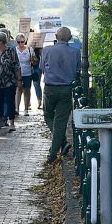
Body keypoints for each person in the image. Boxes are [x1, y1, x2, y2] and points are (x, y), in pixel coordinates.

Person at [42, 27, 81, 163]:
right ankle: (62, 142)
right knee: (60, 121)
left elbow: (42, 67)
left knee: (48, 116)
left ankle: (52, 154)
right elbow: (78, 69)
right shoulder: (75, 52)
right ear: (69, 38)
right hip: (66, 89)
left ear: (56, 36)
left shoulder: (47, 50)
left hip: (50, 88)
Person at [0, 32, 21, 131]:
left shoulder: (10, 50)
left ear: (1, 41)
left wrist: (19, 79)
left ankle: (11, 122)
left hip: (9, 80)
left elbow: (16, 65)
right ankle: (1, 121)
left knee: (10, 102)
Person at [13, 33, 35, 114]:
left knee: (27, 90)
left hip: (27, 72)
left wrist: (34, 60)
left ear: (25, 41)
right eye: (18, 42)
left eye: (22, 42)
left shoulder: (29, 49)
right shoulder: (14, 50)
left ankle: (26, 109)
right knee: (18, 90)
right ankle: (17, 108)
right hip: (17, 73)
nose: (20, 44)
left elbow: (34, 60)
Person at [29, 30, 44, 109]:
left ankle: (39, 101)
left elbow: (42, 55)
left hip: (37, 66)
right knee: (27, 86)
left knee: (36, 84)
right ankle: (28, 103)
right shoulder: (23, 44)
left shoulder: (39, 45)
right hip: (28, 66)